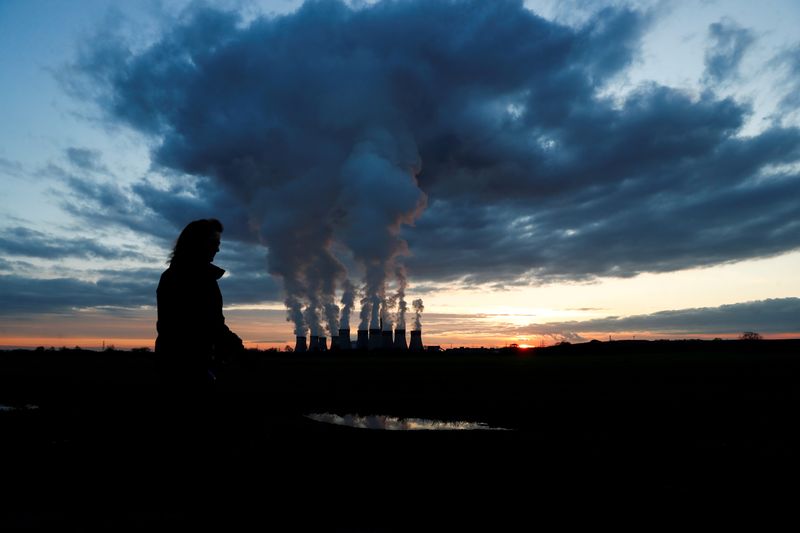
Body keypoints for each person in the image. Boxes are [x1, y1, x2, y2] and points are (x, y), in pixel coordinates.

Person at [155, 218, 244, 390]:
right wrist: (236, 347)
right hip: (187, 369)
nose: (218, 249)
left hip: (184, 366)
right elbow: (206, 323)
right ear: (197, 242)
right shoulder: (191, 278)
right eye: (214, 242)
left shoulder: (187, 275)